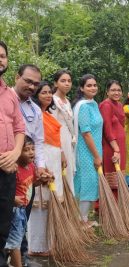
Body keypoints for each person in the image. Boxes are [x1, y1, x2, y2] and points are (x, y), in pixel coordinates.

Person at [13, 64, 45, 265]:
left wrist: (39, 167)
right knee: (7, 219)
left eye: (36, 83)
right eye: (28, 81)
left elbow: (39, 141)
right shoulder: (5, 100)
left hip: (28, 174)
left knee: (23, 217)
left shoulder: (34, 109)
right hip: (8, 171)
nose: (32, 86)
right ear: (17, 77)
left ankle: (23, 259)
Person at [29, 81, 64, 256]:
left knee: (50, 204)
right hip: (42, 162)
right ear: (36, 95)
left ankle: (49, 242)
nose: (48, 95)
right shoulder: (35, 115)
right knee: (39, 205)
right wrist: (39, 166)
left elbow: (56, 142)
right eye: (44, 93)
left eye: (50, 92)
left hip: (54, 160)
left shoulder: (49, 115)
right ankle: (37, 247)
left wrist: (62, 156)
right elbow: (36, 143)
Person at [4, 137, 49, 267]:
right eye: (26, 150)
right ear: (17, 152)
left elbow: (32, 183)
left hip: (23, 209)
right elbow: (5, 190)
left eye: (33, 149)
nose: (31, 152)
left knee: (17, 238)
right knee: (15, 242)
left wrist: (43, 180)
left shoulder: (30, 167)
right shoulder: (14, 170)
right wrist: (12, 199)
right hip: (15, 210)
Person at [0, 41, 25, 267]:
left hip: (8, 172)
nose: (0, 59)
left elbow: (19, 128)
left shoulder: (9, 94)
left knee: (3, 228)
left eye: (2, 55)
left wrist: (16, 152)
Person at [73, 74, 103, 226]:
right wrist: (96, 156)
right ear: (81, 88)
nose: (93, 88)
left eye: (94, 85)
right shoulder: (83, 106)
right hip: (85, 151)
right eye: (89, 85)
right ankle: (81, 220)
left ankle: (83, 217)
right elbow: (86, 133)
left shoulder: (94, 103)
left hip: (94, 150)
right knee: (86, 183)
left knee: (91, 182)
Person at [99, 80, 126, 200]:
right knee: (111, 177)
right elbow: (107, 129)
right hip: (111, 146)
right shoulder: (106, 105)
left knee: (119, 176)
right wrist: (116, 148)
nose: (116, 92)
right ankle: (107, 206)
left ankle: (118, 205)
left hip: (121, 145)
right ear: (107, 92)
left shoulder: (120, 105)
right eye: (113, 90)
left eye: (119, 90)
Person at [52, 69, 75, 195]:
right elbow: (53, 127)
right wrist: (59, 151)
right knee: (60, 173)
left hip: (68, 141)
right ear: (56, 83)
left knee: (68, 173)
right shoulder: (53, 101)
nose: (67, 84)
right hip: (58, 142)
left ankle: (68, 209)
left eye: (69, 81)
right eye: (63, 81)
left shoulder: (67, 102)